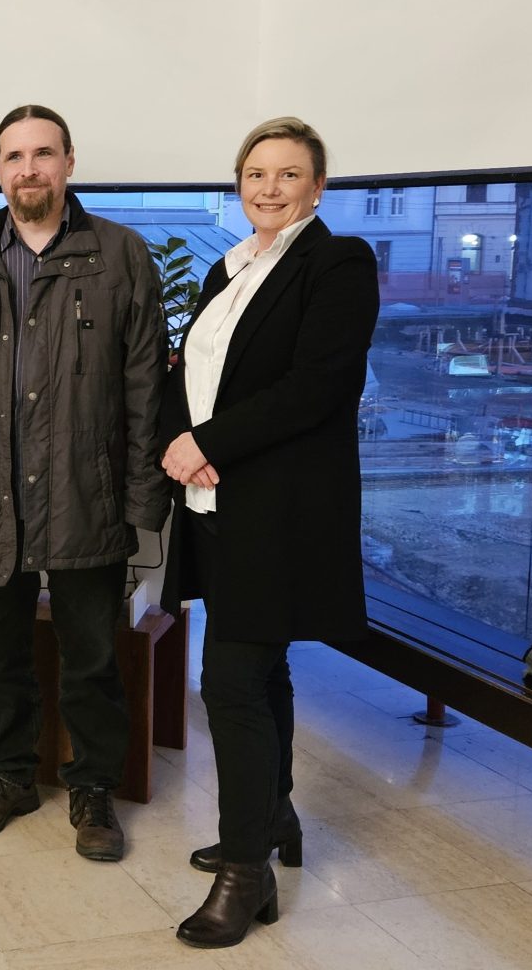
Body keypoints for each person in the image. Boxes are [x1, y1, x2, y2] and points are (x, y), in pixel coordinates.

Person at [0, 104, 169, 862]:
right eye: (15, 157)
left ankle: (93, 788)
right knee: (1, 657)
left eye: (43, 154)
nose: (29, 169)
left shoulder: (119, 256)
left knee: (92, 658)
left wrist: (140, 501)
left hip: (86, 498)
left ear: (69, 162)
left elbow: (145, 388)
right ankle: (8, 777)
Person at [160, 117, 379, 948]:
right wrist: (180, 443)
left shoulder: (338, 263)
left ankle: (245, 873)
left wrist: (209, 444)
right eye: (256, 173)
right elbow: (192, 374)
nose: (269, 187)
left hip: (279, 513)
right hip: (216, 507)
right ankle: (274, 815)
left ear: (317, 188)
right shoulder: (228, 269)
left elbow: (319, 385)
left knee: (229, 683)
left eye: (289, 174)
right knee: (262, 672)